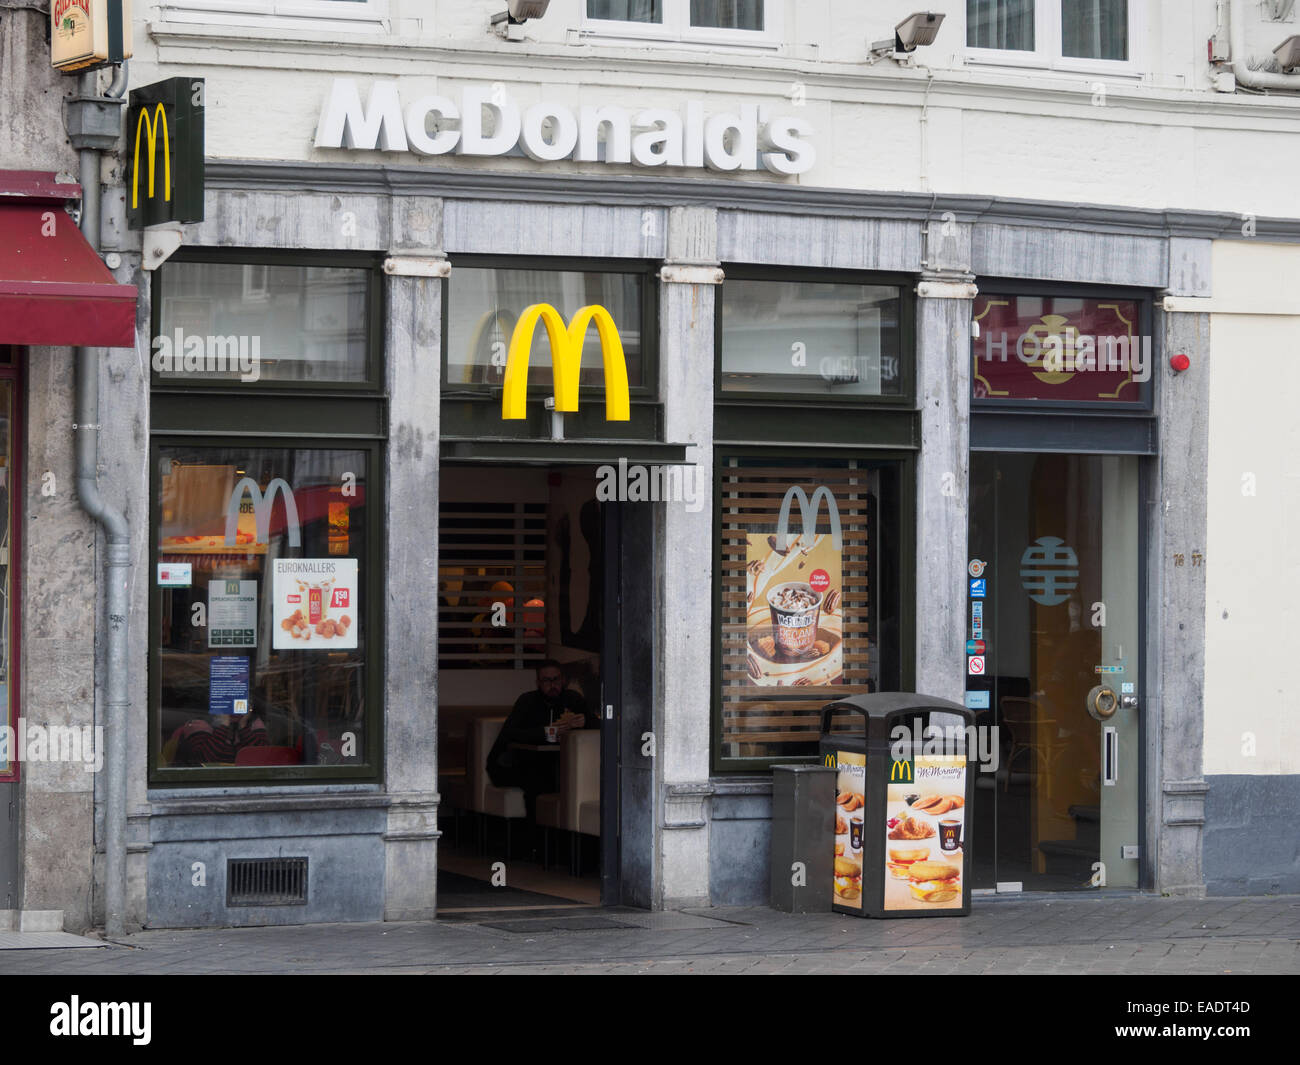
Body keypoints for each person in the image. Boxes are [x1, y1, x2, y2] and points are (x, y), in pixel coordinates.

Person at [487, 660, 597, 824]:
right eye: (547, 680)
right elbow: (510, 733)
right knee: (538, 781)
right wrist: (545, 732)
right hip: (519, 763)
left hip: (558, 763)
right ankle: (538, 840)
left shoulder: (573, 699)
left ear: (564, 680)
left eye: (556, 679)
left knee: (569, 779)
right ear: (538, 682)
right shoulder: (527, 701)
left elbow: (598, 726)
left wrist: (585, 722)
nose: (552, 685)